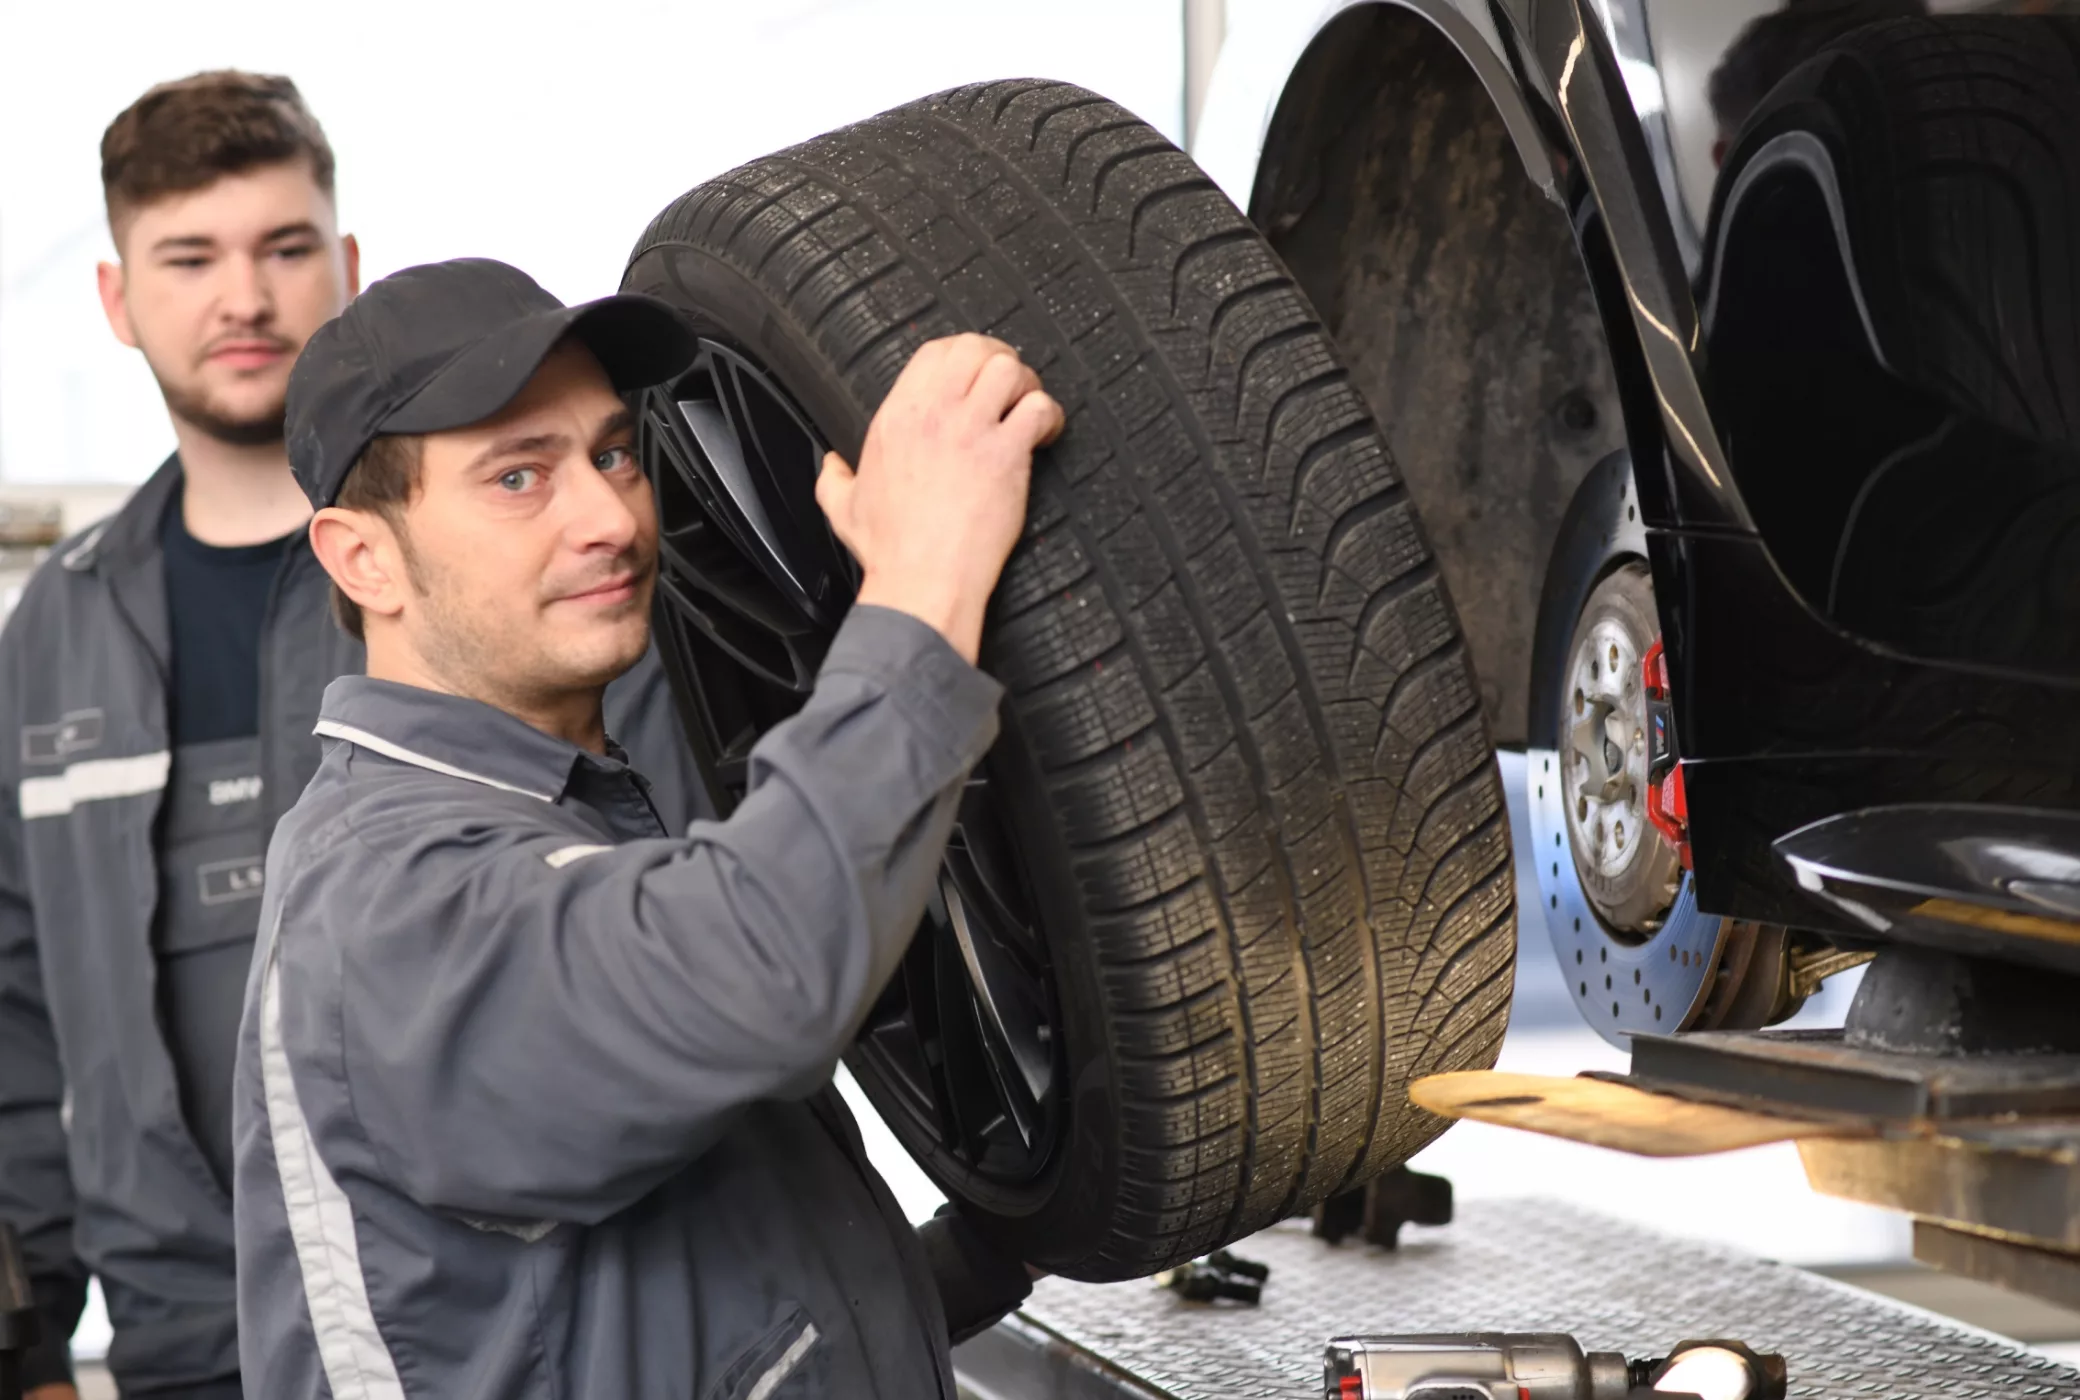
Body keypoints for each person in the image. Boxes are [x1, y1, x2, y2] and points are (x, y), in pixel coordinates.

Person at [234, 257, 1059, 1397]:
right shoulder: (388, 902)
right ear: (363, 557)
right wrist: (924, 577)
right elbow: (760, 968)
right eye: (519, 477)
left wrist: (998, 1245)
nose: (611, 518)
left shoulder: (559, 805)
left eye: (613, 453)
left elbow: (671, 1308)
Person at [0, 75, 701, 1400]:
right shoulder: (56, 634)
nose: (244, 301)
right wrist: (27, 1347)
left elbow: (675, 896)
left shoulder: (506, 592)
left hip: (483, 1324)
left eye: (283, 248)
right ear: (117, 298)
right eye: (190, 258)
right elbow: (18, 1019)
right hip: (176, 1348)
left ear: (346, 266)